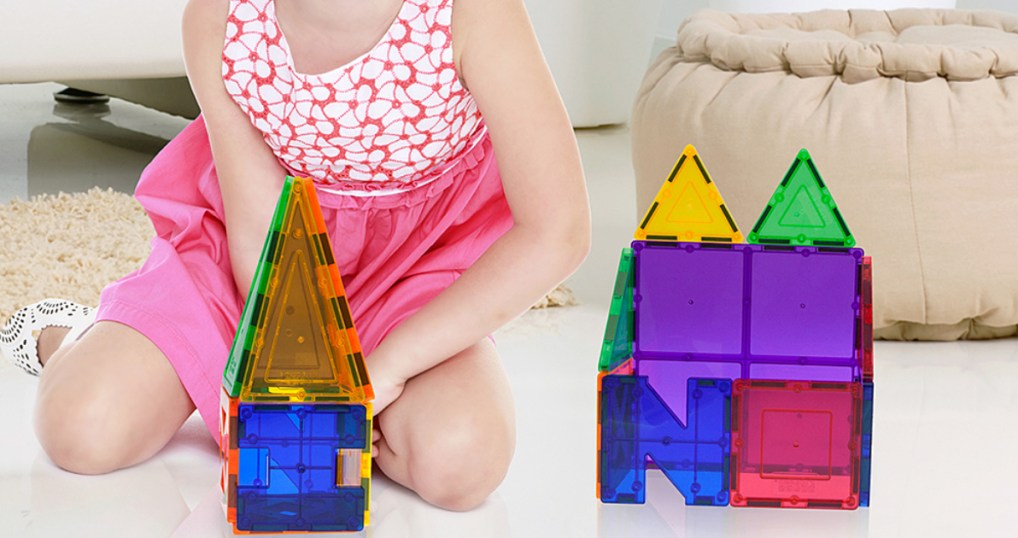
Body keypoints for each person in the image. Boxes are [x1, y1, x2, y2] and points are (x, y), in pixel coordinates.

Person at [0, 0, 590, 511]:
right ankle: (64, 331)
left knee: (460, 462)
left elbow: (557, 230)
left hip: (418, 273)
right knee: (83, 428)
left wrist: (386, 369)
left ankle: (374, 400)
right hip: (260, 270)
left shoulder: (471, 14)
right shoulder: (220, 19)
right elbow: (258, 228)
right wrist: (277, 372)